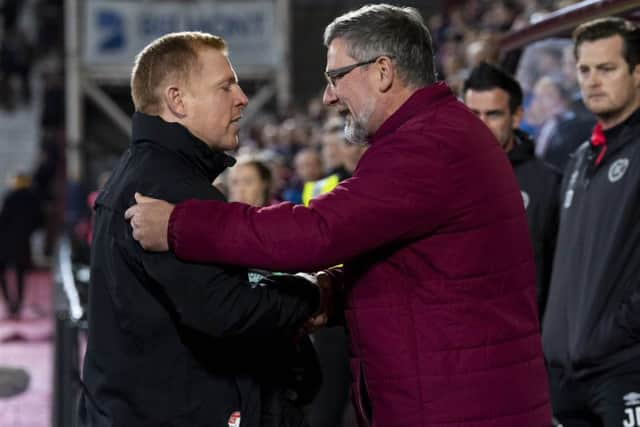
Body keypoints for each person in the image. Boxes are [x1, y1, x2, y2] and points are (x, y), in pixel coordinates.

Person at [125, 5, 551, 426]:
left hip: (458, 407)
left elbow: (317, 232)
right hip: (457, 395)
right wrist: (333, 292)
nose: (329, 96)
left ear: (382, 71)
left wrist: (181, 225)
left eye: (336, 77)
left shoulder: (428, 145)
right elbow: (422, 266)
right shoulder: (436, 133)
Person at [80, 31, 326, 427]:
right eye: (225, 85)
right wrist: (312, 294)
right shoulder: (173, 188)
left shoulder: (139, 171)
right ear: (177, 100)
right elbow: (229, 313)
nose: (242, 97)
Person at [540, 17, 640, 426]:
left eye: (607, 68)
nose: (593, 81)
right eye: (584, 69)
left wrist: (615, 334)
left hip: (624, 368)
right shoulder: (581, 158)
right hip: (567, 376)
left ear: (637, 73)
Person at [463, 61, 560, 321]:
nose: (481, 125)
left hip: (524, 339)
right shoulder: (441, 179)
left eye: (493, 114)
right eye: (473, 114)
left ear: (516, 116)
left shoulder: (548, 184)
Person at [0, 173, 42, 318]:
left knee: (3, 272)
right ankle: (17, 303)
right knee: (20, 273)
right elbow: (39, 220)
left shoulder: (10, 197)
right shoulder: (33, 198)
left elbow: (3, 218)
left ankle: (9, 302)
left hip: (5, 240)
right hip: (23, 240)